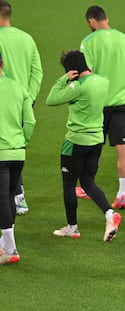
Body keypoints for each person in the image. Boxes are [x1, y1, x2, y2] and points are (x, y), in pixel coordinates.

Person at [46, 50, 122, 241]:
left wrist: (64, 79)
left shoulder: (78, 87)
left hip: (75, 141)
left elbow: (51, 100)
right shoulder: (103, 82)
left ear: (72, 71)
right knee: (88, 182)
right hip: (96, 140)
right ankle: (109, 214)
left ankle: (72, 227)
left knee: (69, 183)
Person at [79, 5, 125, 209]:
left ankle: (86, 185)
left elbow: (88, 72)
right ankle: (123, 193)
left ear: (92, 21)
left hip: (99, 103)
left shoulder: (88, 42)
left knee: (93, 145)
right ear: (106, 18)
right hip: (121, 102)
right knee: (123, 148)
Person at [0, 0, 43, 215]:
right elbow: (37, 71)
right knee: (16, 147)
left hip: (3, 99)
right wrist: (29, 98)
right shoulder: (27, 38)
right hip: (22, 100)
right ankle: (19, 197)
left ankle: (14, 196)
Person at [0, 52, 35, 264]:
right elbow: (30, 122)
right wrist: (23, 141)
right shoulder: (18, 88)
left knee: (2, 199)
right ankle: (5, 244)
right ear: (3, 63)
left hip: (1, 154)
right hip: (18, 152)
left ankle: (11, 249)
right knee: (11, 196)